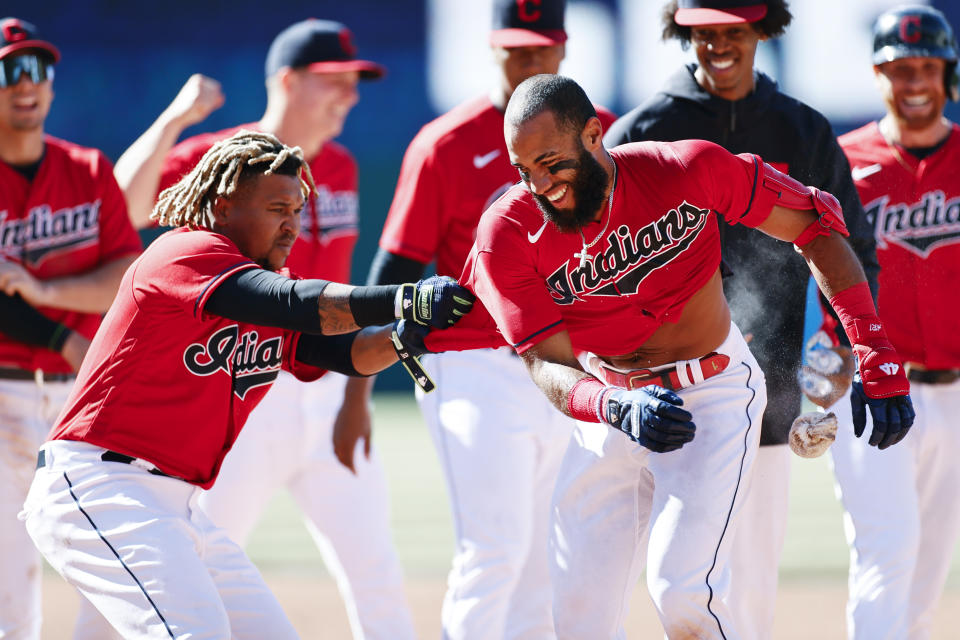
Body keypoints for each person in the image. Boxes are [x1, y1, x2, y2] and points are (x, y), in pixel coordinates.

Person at [426, 73, 915, 639]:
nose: (539, 183)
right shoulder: (506, 231)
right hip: (609, 400)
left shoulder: (684, 169)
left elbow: (816, 226)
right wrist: (612, 405)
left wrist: (874, 350)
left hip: (712, 392)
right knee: (577, 612)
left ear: (592, 134)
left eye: (551, 162)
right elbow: (545, 364)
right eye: (523, 170)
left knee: (683, 592)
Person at [19, 130, 474, 639]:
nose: (292, 226)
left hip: (177, 505)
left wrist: (406, 334)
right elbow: (296, 303)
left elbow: (348, 353)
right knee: (197, 631)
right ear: (222, 206)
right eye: (277, 208)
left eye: (298, 210)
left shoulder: (262, 287)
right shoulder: (185, 253)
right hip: (101, 487)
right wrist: (404, 297)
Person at [89, 19, 418, 640]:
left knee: (375, 570)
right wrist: (174, 122)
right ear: (288, 81)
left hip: (323, 379)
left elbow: (338, 294)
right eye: (335, 81)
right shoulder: (226, 162)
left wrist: (356, 397)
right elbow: (127, 206)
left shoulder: (340, 165)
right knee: (200, 556)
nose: (349, 95)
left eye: (355, 82)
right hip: (242, 385)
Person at [602, 2, 880, 636]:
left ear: (763, 29)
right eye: (705, 33)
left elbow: (853, 252)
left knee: (747, 596)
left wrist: (838, 361)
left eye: (735, 29)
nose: (720, 45)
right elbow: (590, 263)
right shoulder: (645, 127)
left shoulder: (802, 129)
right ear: (683, 33)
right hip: (654, 392)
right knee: (623, 583)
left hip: (770, 399)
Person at [364, 1, 615, 637]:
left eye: (541, 45)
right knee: (495, 548)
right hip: (472, 362)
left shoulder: (598, 135)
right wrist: (357, 382)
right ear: (491, 47)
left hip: (565, 362)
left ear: (563, 47)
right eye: (515, 46)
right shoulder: (446, 143)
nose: (529, 57)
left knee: (546, 558)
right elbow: (389, 276)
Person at [0, 17, 142, 639]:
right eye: (9, 70)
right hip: (3, 393)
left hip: (83, 403)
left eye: (37, 69)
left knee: (112, 568)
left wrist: (48, 291)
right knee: (10, 585)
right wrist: (61, 333)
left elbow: (125, 272)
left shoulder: (86, 168)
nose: (25, 83)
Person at [826, 5, 960, 639]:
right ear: (878, 75)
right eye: (898, 68)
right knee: (887, 552)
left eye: (926, 68)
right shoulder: (843, 162)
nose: (914, 83)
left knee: (929, 572)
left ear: (947, 74)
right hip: (874, 388)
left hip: (957, 391)